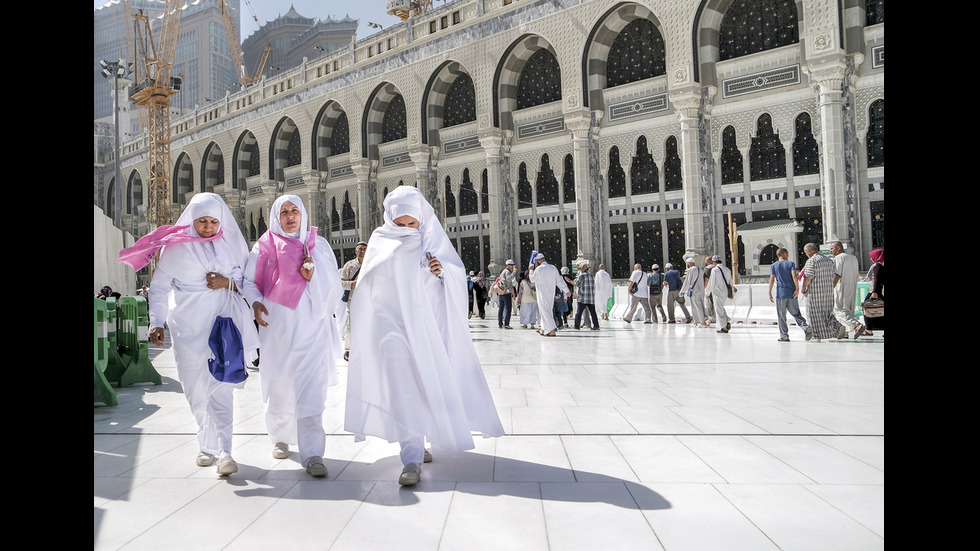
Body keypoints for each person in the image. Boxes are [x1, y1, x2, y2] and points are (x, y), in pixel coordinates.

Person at [344, 186, 504, 486]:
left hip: (424, 329)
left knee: (423, 385)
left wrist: (440, 274)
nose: (406, 230)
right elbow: (368, 286)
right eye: (400, 224)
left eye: (411, 224)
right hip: (390, 329)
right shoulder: (380, 241)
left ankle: (418, 437)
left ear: (421, 221)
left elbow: (454, 283)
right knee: (403, 387)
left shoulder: (432, 242)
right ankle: (412, 457)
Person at [118, 192, 259, 476]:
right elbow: (159, 288)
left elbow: (248, 282)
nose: (207, 227)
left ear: (222, 223)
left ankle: (225, 451)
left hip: (222, 326)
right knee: (194, 388)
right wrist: (156, 322)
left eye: (213, 222)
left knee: (221, 386)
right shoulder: (176, 249)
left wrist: (227, 282)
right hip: (187, 328)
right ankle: (206, 444)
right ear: (192, 221)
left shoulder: (231, 246)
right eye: (202, 221)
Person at [241, 194, 344, 478]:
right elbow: (249, 282)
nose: (289, 217)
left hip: (312, 330)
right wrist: (256, 302)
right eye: (284, 212)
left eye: (294, 211)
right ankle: (280, 437)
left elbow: (334, 289)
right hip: (277, 330)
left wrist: (312, 279)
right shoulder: (263, 246)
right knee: (280, 387)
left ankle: (313, 454)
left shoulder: (318, 246)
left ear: (302, 214)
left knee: (312, 390)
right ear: (276, 216)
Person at [800, 243, 844, 341]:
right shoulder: (829, 260)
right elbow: (834, 276)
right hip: (828, 292)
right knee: (827, 313)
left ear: (809, 251)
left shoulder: (811, 261)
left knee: (813, 314)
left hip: (815, 293)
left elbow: (809, 277)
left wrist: (803, 288)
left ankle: (816, 335)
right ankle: (838, 326)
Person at [768, 247, 809, 341]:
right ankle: (805, 327)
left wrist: (769, 292)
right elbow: (794, 275)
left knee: (781, 316)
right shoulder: (790, 264)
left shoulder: (774, 265)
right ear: (784, 254)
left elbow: (772, 279)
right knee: (796, 313)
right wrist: (797, 288)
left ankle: (784, 336)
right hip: (791, 293)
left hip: (781, 293)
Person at [830, 241, 867, 339]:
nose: (830, 251)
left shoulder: (838, 258)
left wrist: (831, 288)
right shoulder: (853, 257)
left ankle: (856, 325)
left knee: (839, 309)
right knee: (848, 310)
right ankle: (845, 332)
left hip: (841, 287)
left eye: (832, 248)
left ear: (838, 248)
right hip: (852, 286)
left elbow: (837, 274)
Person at [529, 252, 570, 336]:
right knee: (547, 312)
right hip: (551, 294)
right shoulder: (553, 268)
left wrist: (530, 270)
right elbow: (559, 280)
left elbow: (532, 279)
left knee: (545, 311)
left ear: (539, 261)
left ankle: (551, 330)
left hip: (542, 294)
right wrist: (566, 290)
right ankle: (543, 329)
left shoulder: (539, 269)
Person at [340, 241, 367, 361]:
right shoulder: (349, 265)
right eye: (360, 249)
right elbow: (340, 282)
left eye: (365, 249)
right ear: (356, 251)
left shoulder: (371, 263)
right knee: (350, 325)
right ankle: (349, 350)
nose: (362, 251)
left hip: (368, 299)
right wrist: (352, 284)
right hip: (353, 299)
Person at [706, 255, 736, 333]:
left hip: (717, 292)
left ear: (714, 262)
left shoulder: (715, 270)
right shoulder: (727, 269)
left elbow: (711, 282)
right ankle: (726, 321)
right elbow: (730, 282)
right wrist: (732, 293)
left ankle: (724, 327)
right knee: (721, 308)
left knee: (718, 309)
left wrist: (707, 292)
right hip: (725, 293)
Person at [862, 248, 884, 335]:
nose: (871, 258)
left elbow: (876, 279)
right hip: (880, 291)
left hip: (875, 291)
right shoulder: (881, 265)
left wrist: (874, 291)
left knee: (866, 307)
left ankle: (869, 329)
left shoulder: (877, 266)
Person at [679, 258, 707, 327]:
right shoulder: (700, 269)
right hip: (701, 290)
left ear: (690, 263)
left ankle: (702, 322)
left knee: (697, 306)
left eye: (687, 263)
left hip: (694, 291)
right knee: (698, 305)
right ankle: (696, 321)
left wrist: (682, 291)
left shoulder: (691, 270)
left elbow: (687, 281)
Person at [572, 260, 599, 330]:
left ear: (582, 269)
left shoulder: (582, 276)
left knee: (579, 313)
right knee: (593, 313)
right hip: (591, 298)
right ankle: (596, 326)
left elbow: (577, 284)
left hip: (583, 298)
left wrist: (571, 282)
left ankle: (576, 325)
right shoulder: (591, 275)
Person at [496, 260, 518, 329]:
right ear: (507, 265)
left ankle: (500, 323)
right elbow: (509, 279)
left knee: (501, 308)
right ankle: (506, 324)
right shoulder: (507, 272)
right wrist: (514, 272)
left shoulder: (503, 271)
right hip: (506, 292)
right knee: (508, 308)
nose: (512, 266)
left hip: (501, 292)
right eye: (511, 265)